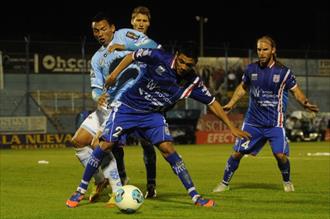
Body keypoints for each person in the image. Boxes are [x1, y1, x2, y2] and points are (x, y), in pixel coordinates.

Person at [66, 44, 251, 208]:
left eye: (189, 65)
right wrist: (114, 74)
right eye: (182, 62)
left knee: (168, 149)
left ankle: (195, 196)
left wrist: (231, 127)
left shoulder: (193, 82)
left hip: (152, 115)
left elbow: (212, 103)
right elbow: (133, 55)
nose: (184, 67)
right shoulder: (158, 56)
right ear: (176, 55)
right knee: (105, 144)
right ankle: (80, 190)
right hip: (128, 107)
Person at [66, 12, 159, 208]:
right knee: (78, 141)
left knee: (103, 143)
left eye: (103, 28)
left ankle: (118, 190)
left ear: (113, 27)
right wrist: (97, 96)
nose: (100, 33)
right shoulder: (96, 58)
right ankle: (100, 179)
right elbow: (96, 88)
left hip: (131, 102)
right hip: (108, 104)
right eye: (96, 30)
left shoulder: (125, 35)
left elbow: (152, 46)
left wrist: (124, 47)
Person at [212, 35, 319, 193]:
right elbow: (242, 88)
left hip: (274, 123)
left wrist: (305, 103)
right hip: (252, 122)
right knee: (237, 153)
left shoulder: (283, 72)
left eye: (265, 49)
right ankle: (224, 183)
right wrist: (231, 103)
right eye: (259, 49)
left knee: (280, 155)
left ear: (273, 50)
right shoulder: (251, 69)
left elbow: (297, 92)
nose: (261, 53)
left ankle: (287, 181)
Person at [110, 6, 158, 199]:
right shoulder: (119, 40)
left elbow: (152, 51)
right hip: (122, 101)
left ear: (149, 23)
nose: (141, 24)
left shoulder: (150, 46)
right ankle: (122, 179)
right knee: (114, 143)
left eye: (145, 21)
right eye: (138, 20)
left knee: (148, 144)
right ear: (131, 22)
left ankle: (151, 186)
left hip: (145, 102)